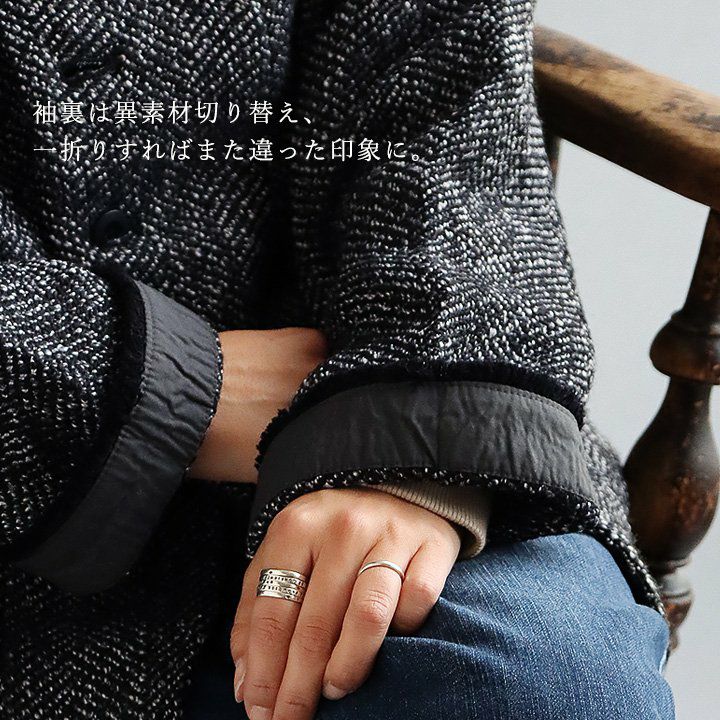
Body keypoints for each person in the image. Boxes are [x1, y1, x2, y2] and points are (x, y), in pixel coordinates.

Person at [0, 1, 675, 719]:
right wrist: (161, 383)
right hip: (31, 563)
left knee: (551, 685)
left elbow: (442, 100)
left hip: (362, 386)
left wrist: (413, 430)